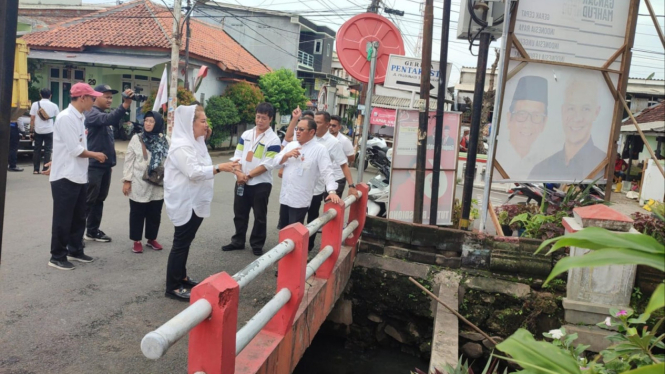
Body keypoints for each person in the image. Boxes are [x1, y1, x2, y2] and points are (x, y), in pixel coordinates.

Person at [163, 104, 238, 301]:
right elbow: (194, 172)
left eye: (206, 121)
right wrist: (220, 167)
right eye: (202, 121)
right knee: (180, 242)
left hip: (195, 199)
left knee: (186, 241)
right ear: (190, 124)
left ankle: (182, 276)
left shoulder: (195, 141)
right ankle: (172, 286)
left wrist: (205, 133)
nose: (206, 125)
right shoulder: (182, 146)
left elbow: (202, 161)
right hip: (185, 201)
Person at [48, 83, 107, 270]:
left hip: (78, 175)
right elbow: (75, 149)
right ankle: (57, 255)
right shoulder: (66, 118)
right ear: (82, 98)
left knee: (79, 217)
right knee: (63, 218)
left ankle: (75, 250)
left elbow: (64, 145)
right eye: (92, 97)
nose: (94, 100)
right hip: (65, 176)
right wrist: (95, 154)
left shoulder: (80, 117)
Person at [222, 103, 281, 256]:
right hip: (241, 180)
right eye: (258, 117)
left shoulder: (273, 140)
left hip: (261, 183)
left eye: (264, 118)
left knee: (259, 216)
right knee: (239, 213)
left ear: (270, 119)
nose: (260, 120)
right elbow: (237, 155)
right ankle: (238, 241)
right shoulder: (246, 134)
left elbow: (267, 164)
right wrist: (239, 174)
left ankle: (257, 244)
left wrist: (247, 176)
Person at [529, 77, 606, 181]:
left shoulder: (603, 165)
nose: (578, 118)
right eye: (571, 108)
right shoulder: (541, 169)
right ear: (563, 111)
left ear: (596, 112)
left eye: (585, 109)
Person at [83, 84, 133, 243]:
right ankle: (75, 235)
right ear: (95, 96)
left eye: (111, 97)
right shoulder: (91, 113)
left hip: (104, 166)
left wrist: (110, 164)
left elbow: (108, 141)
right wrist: (124, 105)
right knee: (88, 200)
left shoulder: (103, 114)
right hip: (93, 166)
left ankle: (92, 230)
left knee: (99, 199)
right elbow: (109, 118)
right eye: (106, 96)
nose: (109, 99)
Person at [275, 118, 341, 230]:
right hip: (286, 196)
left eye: (301, 129)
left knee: (294, 231)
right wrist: (286, 156)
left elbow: (327, 171)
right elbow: (275, 163)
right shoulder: (291, 145)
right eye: (297, 129)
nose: (297, 132)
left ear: (311, 132)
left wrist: (332, 191)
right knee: (283, 229)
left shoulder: (319, 149)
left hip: (299, 199)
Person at [306, 111, 358, 251]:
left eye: (318, 122)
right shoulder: (309, 136)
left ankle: (313, 247)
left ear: (327, 125)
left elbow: (344, 164)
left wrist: (351, 186)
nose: (315, 124)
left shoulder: (334, 143)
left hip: (327, 183)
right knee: (296, 220)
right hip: (303, 186)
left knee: (318, 215)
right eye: (314, 121)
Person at [122, 111, 169, 254]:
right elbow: (129, 160)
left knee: (155, 212)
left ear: (158, 124)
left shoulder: (166, 139)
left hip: (158, 182)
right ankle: (136, 240)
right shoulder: (137, 139)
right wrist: (127, 180)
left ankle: (151, 238)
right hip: (139, 181)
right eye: (146, 120)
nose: (148, 124)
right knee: (137, 212)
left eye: (151, 121)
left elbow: (171, 160)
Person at [496, 75, 549, 179]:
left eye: (536, 116)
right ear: (509, 118)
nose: (527, 124)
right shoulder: (498, 159)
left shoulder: (545, 164)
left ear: (544, 123)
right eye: (521, 114)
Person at [30, 88, 60, 174]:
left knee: (37, 150)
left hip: (38, 130)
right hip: (50, 130)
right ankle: (45, 169)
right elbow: (58, 119)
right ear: (50, 95)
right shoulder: (54, 105)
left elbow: (32, 119)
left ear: (40, 95)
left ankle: (36, 169)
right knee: (48, 150)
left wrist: (31, 131)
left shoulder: (35, 104)